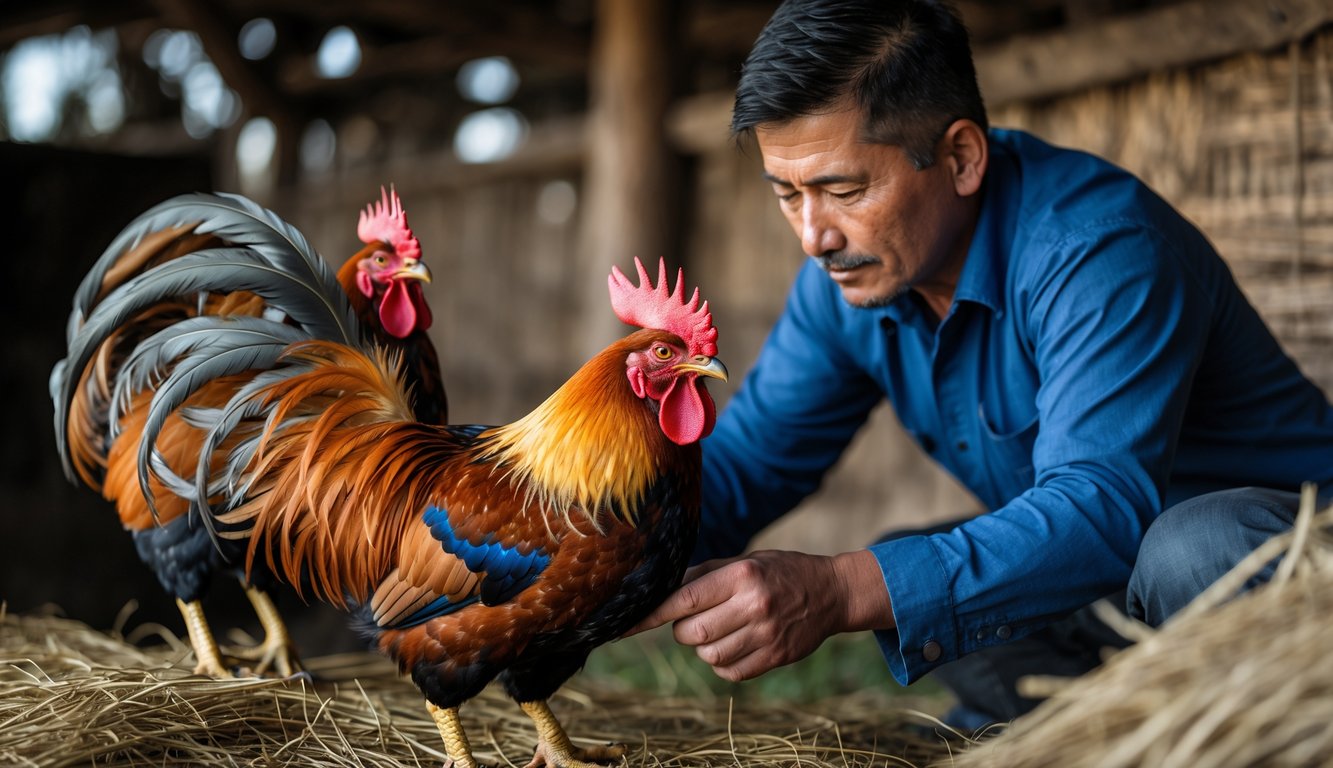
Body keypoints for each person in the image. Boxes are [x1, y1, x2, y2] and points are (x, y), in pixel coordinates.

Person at [629, 0, 1333, 728]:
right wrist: (580, 557)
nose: (813, 236)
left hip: (1285, 573)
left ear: (961, 158)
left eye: (843, 191)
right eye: (786, 194)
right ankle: (1126, 729)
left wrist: (839, 590)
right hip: (1122, 590)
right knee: (914, 585)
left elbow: (1101, 509)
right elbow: (748, 468)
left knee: (1190, 547)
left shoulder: (1098, 251)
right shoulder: (845, 282)